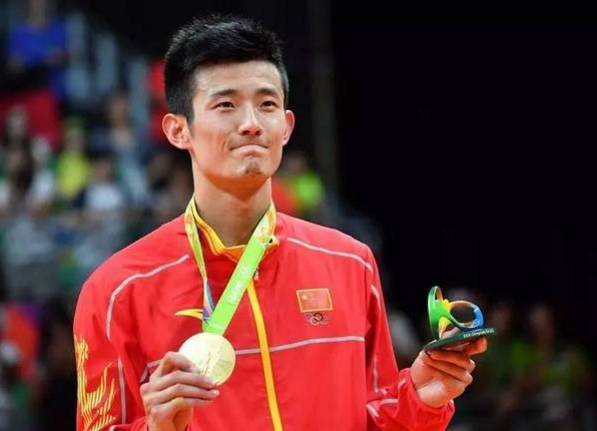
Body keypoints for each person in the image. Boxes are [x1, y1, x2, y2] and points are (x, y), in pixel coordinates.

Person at [73, 15, 486, 431]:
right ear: (179, 130)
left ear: (286, 127)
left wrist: (420, 399)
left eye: (266, 104)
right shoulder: (118, 290)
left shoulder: (349, 264)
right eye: (225, 105)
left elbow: (375, 416)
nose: (251, 122)